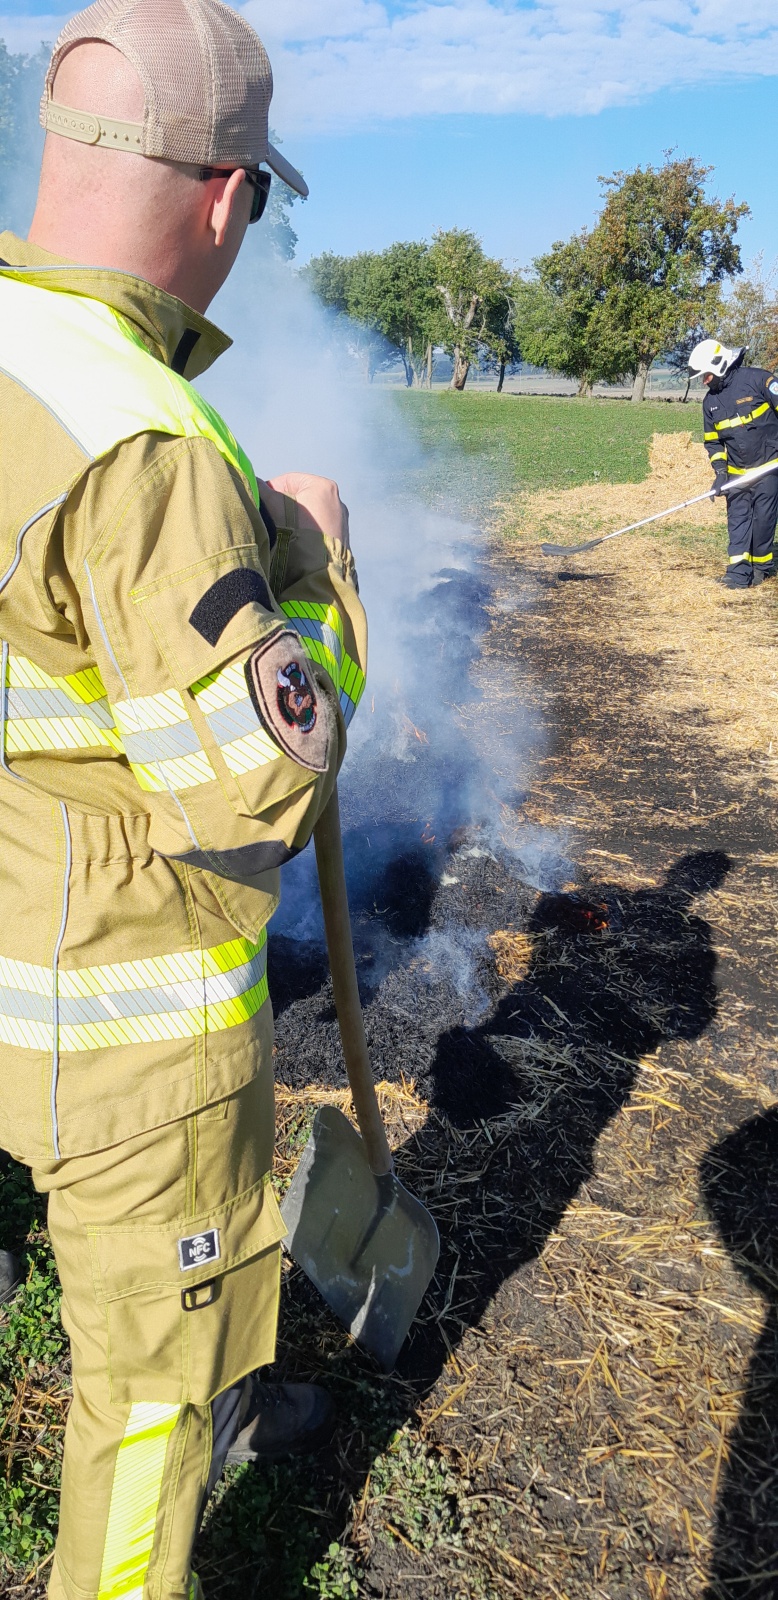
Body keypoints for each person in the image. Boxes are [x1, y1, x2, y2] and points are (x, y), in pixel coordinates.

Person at [0, 2, 367, 1597]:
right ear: (226, 195)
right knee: (150, 1410)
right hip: (118, 1034)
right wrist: (325, 581)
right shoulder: (142, 442)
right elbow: (257, 795)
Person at [690, 338, 778, 588]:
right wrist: (720, 471)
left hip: (769, 466)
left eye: (705, 375)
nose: (703, 380)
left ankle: (760, 569)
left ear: (718, 365)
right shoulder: (710, 403)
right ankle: (738, 574)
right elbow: (713, 442)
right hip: (737, 473)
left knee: (763, 519)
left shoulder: (760, 380)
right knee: (737, 519)